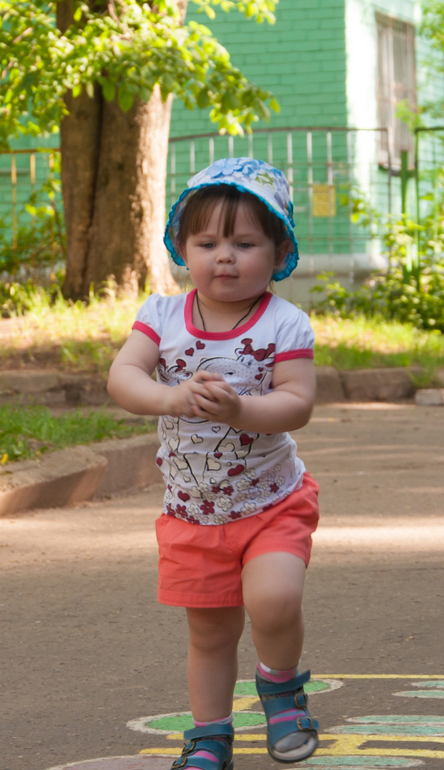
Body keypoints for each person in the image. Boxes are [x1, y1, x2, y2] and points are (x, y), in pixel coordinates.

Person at [108, 157, 320, 768]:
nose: (223, 256)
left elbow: (297, 403)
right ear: (183, 248)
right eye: (207, 242)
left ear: (278, 251)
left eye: (244, 242)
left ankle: (281, 691)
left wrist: (241, 411)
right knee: (210, 634)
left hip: (272, 501)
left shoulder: (285, 322)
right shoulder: (161, 317)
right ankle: (210, 736)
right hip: (193, 514)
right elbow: (124, 378)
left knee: (275, 600)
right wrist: (171, 397)